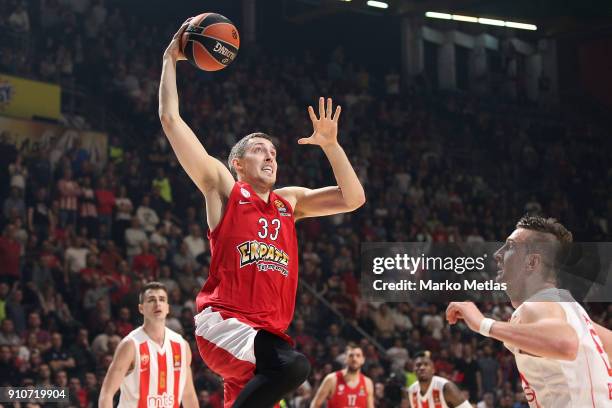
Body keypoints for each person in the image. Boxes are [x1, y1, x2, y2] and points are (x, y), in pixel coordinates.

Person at [159, 20, 365, 408]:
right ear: (237, 162)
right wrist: (170, 59)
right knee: (295, 367)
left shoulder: (290, 203)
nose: (270, 155)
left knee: (283, 370)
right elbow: (172, 121)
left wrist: (332, 146)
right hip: (225, 325)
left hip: (263, 342)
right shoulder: (224, 188)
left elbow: (352, 198)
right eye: (259, 149)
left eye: (274, 153)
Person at [446, 215, 612, 407]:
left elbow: (565, 343)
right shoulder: (574, 313)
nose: (497, 254)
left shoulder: (535, 305)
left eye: (510, 246)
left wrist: (483, 323)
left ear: (532, 262)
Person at [98, 282, 197, 407]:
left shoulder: (182, 345)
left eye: (162, 299)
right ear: (141, 308)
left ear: (167, 308)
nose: (157, 303)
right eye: (151, 300)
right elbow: (106, 394)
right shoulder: (130, 345)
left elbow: (188, 395)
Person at [310, 344, 374, 408]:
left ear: (363, 360)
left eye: (358, 355)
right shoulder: (332, 379)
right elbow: (315, 405)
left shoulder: (367, 382)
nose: (354, 359)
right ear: (345, 359)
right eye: (351, 355)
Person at [406, 350, 470, 408]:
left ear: (433, 370)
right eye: (418, 365)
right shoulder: (411, 391)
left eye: (426, 364)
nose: (422, 367)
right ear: (413, 370)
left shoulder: (446, 387)